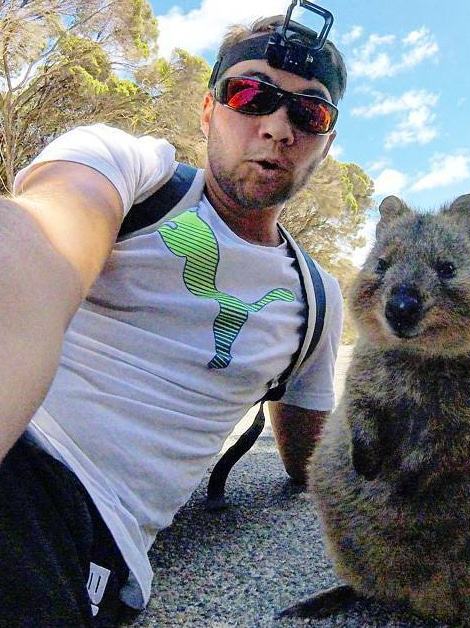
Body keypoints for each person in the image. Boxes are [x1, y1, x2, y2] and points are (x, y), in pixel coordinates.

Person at [0, 13, 348, 625]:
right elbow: (33, 251)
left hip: (74, 513)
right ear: (208, 111)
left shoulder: (316, 298)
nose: (276, 128)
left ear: (325, 142)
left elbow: (306, 460)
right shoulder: (130, 170)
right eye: (249, 95)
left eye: (309, 114)